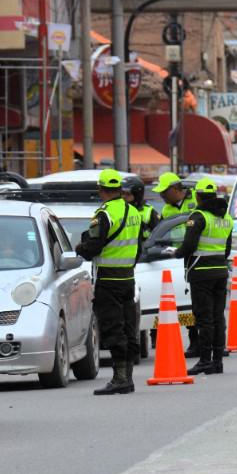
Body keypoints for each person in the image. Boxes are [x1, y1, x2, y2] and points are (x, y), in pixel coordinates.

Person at [75, 169, 143, 395]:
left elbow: (93, 248)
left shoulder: (104, 214)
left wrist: (80, 248)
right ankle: (127, 378)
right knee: (128, 326)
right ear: (120, 189)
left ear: (101, 190)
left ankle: (120, 378)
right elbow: (138, 246)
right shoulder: (133, 211)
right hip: (128, 277)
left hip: (108, 279)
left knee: (113, 328)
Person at [173, 177, 232, 375]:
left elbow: (188, 246)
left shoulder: (198, 216)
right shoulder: (226, 218)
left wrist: (176, 253)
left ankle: (205, 360)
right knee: (218, 316)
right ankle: (217, 361)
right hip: (220, 271)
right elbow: (227, 249)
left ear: (198, 196)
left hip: (201, 273)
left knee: (204, 318)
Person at [153, 172, 201, 356]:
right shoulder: (166, 210)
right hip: (176, 259)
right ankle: (194, 341)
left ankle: (214, 342)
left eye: (164, 192)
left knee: (204, 304)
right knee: (186, 302)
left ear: (175, 189)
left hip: (198, 256)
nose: (161, 196)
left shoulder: (196, 200)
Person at [123, 176, 159, 243]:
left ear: (137, 195)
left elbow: (158, 234)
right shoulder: (118, 209)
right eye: (122, 193)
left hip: (144, 247)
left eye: (128, 194)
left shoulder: (149, 212)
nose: (124, 196)